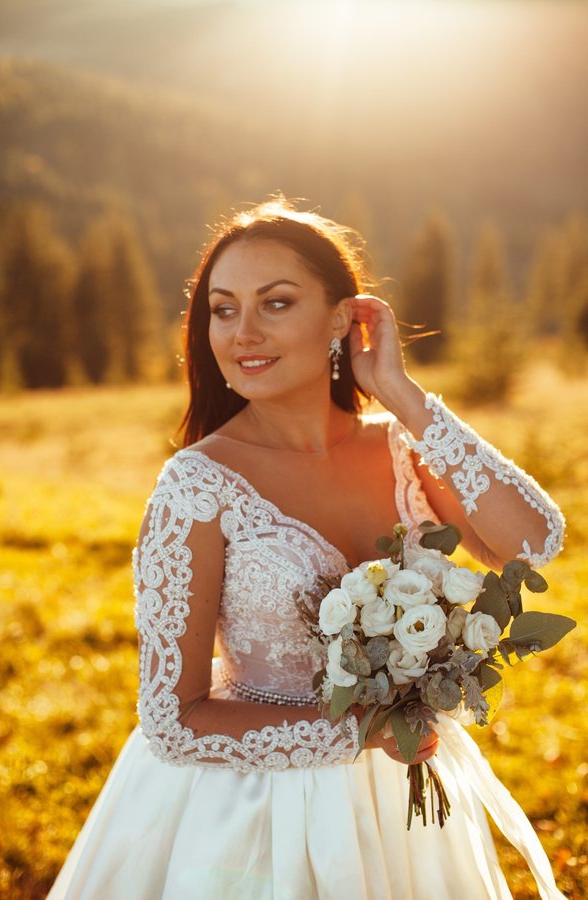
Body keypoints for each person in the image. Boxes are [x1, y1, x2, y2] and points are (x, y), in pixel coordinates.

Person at [48, 198, 567, 899]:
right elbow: (174, 720)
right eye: (223, 309)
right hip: (254, 815)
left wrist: (402, 393)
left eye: (276, 303)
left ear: (341, 320)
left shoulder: (401, 448)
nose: (242, 333)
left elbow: (534, 542)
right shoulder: (198, 485)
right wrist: (356, 732)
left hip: (403, 808)